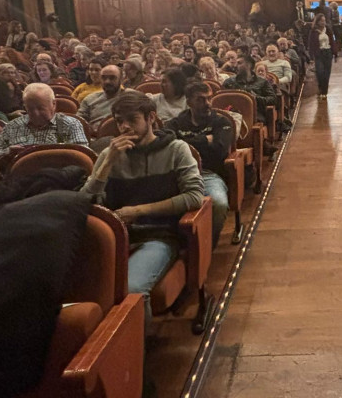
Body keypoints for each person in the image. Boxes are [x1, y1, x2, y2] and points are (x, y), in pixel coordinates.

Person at [82, 92, 204, 328]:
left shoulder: (176, 149)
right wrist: (107, 163)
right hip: (113, 236)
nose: (124, 127)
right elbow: (83, 203)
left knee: (133, 288)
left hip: (158, 235)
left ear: (151, 118)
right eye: (119, 121)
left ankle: (136, 355)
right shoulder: (110, 154)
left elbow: (194, 197)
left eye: (131, 119)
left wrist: (137, 211)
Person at [166, 82, 233, 249]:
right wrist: (204, 140)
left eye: (209, 98)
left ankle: (206, 247)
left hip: (208, 173)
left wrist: (183, 143)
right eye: (201, 100)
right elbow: (168, 146)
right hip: (176, 174)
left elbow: (220, 150)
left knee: (218, 203)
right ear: (189, 102)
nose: (208, 103)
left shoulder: (221, 121)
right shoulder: (175, 123)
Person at [0, 83, 88, 160]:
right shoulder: (13, 125)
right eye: (30, 109)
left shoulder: (70, 124)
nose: (36, 114)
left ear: (53, 104)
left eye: (40, 108)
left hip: (58, 179)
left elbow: (81, 154)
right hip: (20, 178)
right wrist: (8, 151)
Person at [223, 54, 277, 124]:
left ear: (249, 65)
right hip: (233, 115)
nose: (236, 66)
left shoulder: (262, 82)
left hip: (255, 115)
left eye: (239, 63)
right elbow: (222, 101)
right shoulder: (229, 82)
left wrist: (256, 98)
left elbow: (273, 100)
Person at [308, 14, 337, 99]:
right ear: (317, 21)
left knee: (327, 73)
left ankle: (325, 91)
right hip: (319, 53)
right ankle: (320, 88)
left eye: (324, 20)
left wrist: (335, 53)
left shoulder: (328, 29)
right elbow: (311, 44)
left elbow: (332, 41)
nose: (323, 22)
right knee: (320, 72)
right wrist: (311, 56)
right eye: (321, 21)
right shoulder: (313, 31)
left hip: (328, 52)